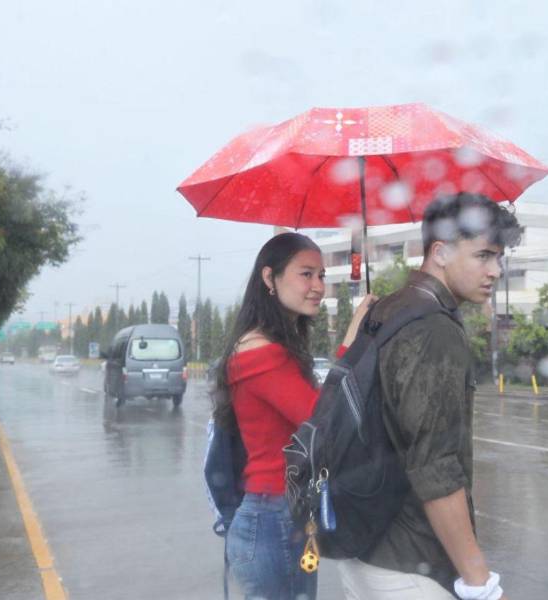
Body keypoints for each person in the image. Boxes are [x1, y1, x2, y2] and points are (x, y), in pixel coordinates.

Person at [337, 193, 521, 600]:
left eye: (499, 258)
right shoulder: (433, 330)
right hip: (408, 571)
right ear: (440, 252)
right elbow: (434, 468)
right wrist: (480, 582)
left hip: (363, 551)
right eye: (484, 255)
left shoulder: (385, 310)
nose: (496, 270)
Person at [211, 232, 373, 600]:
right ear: (269, 278)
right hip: (272, 520)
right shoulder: (260, 354)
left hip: (284, 517)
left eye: (322, 276)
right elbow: (323, 422)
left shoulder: (273, 346)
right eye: (306, 274)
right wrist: (353, 340)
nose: (318, 286)